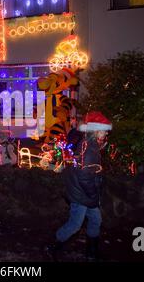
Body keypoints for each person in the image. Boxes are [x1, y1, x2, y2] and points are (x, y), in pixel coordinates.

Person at [47, 111, 112, 261]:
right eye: (105, 132)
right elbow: (84, 176)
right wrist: (92, 194)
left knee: (96, 220)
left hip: (84, 191)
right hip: (82, 193)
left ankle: (92, 251)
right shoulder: (90, 148)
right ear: (97, 131)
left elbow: (85, 169)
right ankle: (54, 245)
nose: (106, 136)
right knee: (75, 224)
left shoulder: (90, 144)